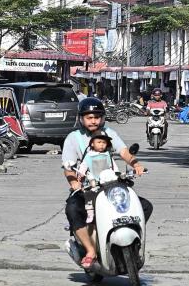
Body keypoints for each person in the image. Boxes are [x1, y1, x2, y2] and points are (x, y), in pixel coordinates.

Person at [61, 97, 149, 270]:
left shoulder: (109, 133)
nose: (93, 120)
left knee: (144, 206)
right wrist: (74, 184)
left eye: (96, 117)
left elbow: (123, 152)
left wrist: (136, 164)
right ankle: (90, 250)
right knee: (73, 209)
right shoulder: (73, 137)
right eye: (89, 117)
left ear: (102, 118)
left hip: (111, 185)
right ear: (81, 119)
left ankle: (133, 244)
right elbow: (68, 167)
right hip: (87, 187)